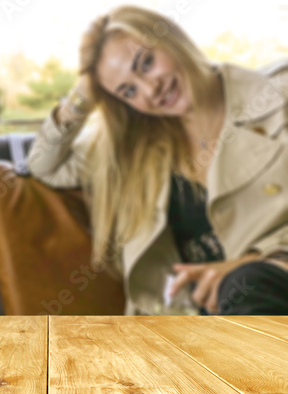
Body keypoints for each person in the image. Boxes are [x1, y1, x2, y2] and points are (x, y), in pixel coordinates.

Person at [27, 5, 288, 315]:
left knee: (248, 282)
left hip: (266, 296)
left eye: (147, 63)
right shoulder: (134, 150)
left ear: (172, 38)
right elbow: (45, 164)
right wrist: (83, 93)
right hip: (185, 325)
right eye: (128, 90)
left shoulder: (275, 103)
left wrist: (249, 265)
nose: (151, 90)